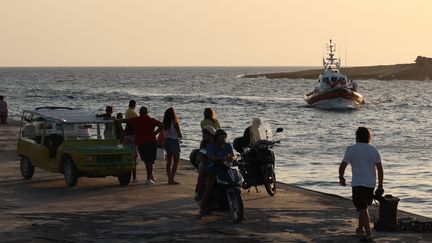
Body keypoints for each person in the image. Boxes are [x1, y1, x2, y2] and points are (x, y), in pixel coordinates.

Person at [338, 127, 384, 242]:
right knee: (363, 207)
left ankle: (369, 235)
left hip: (358, 183)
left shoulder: (352, 149)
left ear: (357, 136)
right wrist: (380, 185)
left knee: (362, 208)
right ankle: (359, 229)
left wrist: (341, 177)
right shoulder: (374, 150)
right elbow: (380, 169)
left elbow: (343, 165)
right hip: (370, 184)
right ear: (369, 137)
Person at [199, 129, 236, 217]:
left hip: (226, 167)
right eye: (221, 136)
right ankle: (202, 209)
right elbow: (213, 156)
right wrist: (223, 158)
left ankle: (236, 207)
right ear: (216, 137)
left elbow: (232, 155)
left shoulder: (228, 145)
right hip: (213, 168)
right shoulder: (211, 146)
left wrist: (233, 158)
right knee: (209, 187)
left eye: (224, 136)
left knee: (235, 180)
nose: (223, 138)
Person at [127, 106, 163, 185]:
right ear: (147, 112)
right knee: (151, 161)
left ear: (140, 112)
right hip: (152, 142)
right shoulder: (151, 120)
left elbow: (125, 121)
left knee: (147, 162)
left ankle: (149, 179)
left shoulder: (136, 120)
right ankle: (149, 179)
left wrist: (116, 120)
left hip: (142, 143)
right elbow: (161, 125)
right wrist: (155, 133)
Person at [194, 126, 216, 201]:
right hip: (204, 161)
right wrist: (204, 162)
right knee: (202, 171)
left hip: (215, 161)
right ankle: (199, 193)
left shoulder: (216, 142)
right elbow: (202, 154)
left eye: (205, 135)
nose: (203, 136)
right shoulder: (203, 143)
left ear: (211, 135)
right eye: (203, 134)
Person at [162, 107, 183, 185]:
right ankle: (171, 179)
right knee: (176, 161)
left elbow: (164, 134)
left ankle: (169, 178)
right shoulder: (175, 123)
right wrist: (180, 137)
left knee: (169, 161)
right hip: (174, 141)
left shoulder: (165, 123)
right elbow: (179, 134)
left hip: (167, 141)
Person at [125, 100, 139, 182]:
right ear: (134, 105)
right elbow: (138, 121)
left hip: (127, 135)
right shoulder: (132, 112)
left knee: (128, 157)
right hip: (131, 136)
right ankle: (134, 178)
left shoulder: (127, 111)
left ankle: (128, 176)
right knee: (134, 157)